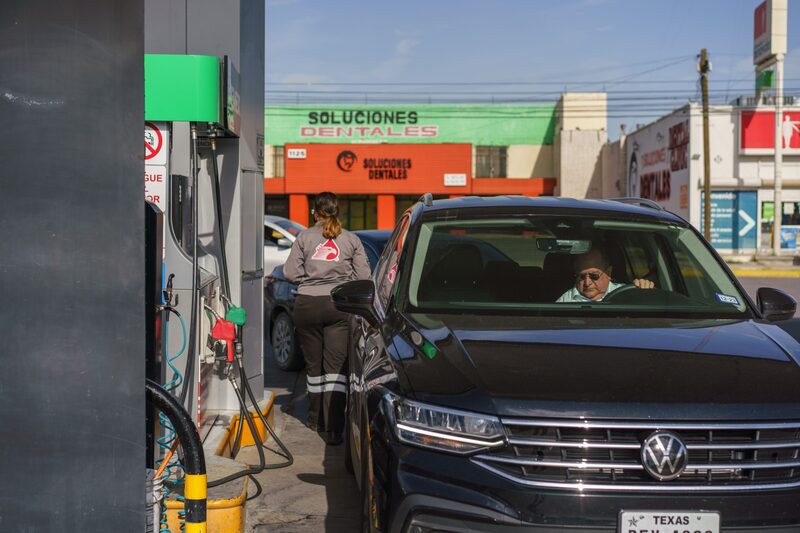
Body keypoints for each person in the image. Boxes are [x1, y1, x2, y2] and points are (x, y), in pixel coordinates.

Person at [284, 192, 370, 444]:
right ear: (336, 212)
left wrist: (310, 280)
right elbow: (364, 275)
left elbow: (290, 273)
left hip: (307, 305)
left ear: (315, 213)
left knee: (314, 369)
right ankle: (333, 428)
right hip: (338, 307)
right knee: (335, 370)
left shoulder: (304, 237)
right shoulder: (351, 239)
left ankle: (315, 419)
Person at [556, 246, 654, 303]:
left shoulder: (626, 295)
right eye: (581, 277)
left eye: (594, 276)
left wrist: (645, 291)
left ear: (608, 273)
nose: (587, 283)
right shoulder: (565, 300)